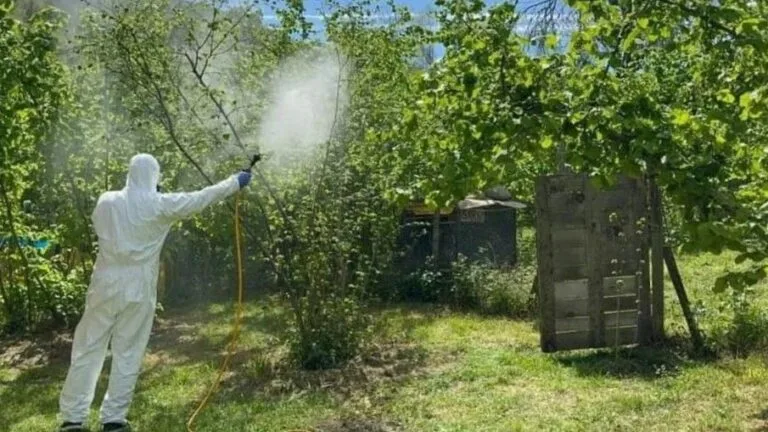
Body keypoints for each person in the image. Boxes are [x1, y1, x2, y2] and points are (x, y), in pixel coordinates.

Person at [58, 154, 252, 432]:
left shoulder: (107, 200)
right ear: (154, 176)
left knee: (88, 347)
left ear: (130, 173)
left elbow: (110, 220)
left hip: (105, 282)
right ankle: (113, 419)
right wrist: (235, 182)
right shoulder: (160, 205)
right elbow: (201, 198)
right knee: (128, 351)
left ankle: (72, 419)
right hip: (138, 286)